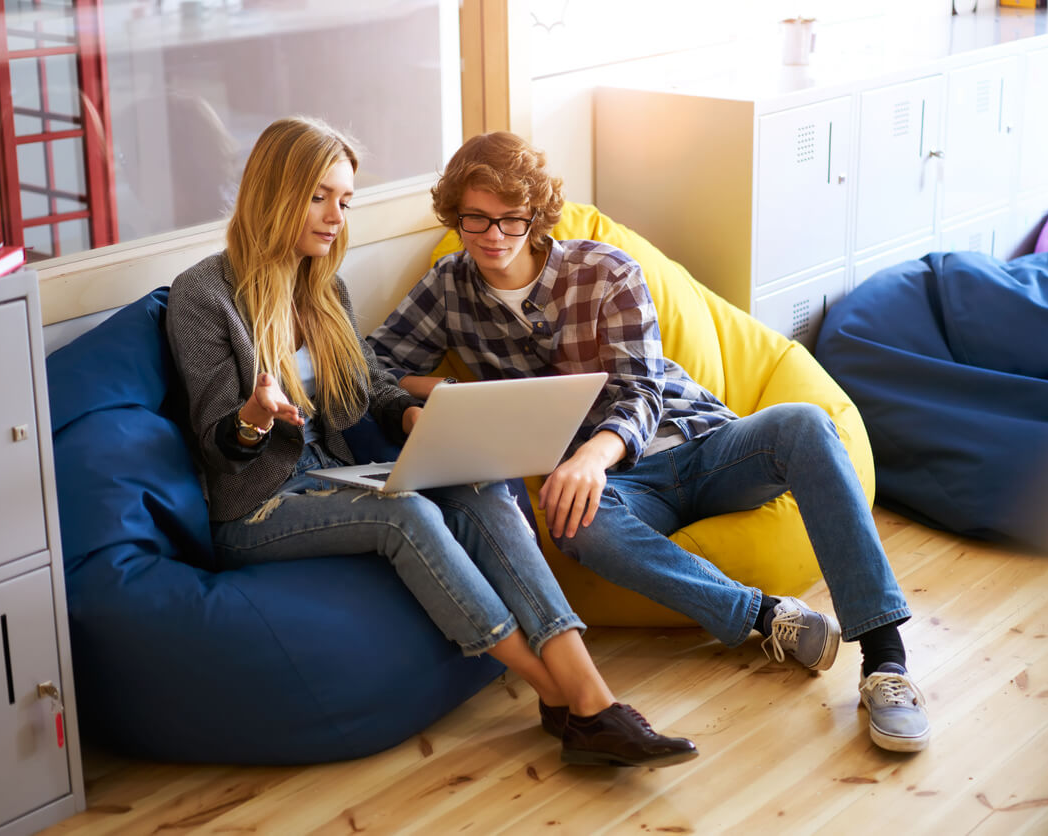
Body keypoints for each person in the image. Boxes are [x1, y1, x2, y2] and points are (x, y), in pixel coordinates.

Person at [368, 130, 931, 753]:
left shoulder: (605, 270)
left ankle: (886, 661)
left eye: (510, 219)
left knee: (806, 421)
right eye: (475, 220)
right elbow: (368, 366)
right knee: (576, 526)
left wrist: (590, 455)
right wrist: (442, 387)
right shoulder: (449, 287)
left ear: (536, 216)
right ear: (455, 215)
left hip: (700, 445)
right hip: (624, 492)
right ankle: (765, 616)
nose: (493, 236)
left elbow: (642, 391)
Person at [164, 117, 696, 768]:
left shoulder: (321, 288)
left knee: (472, 478)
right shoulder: (203, 297)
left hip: (327, 477)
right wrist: (252, 415)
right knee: (405, 511)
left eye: (345, 200)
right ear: (275, 193)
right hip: (257, 507)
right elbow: (223, 446)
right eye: (320, 197)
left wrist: (416, 417)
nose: (336, 217)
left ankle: (583, 695)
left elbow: (364, 391)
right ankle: (566, 695)